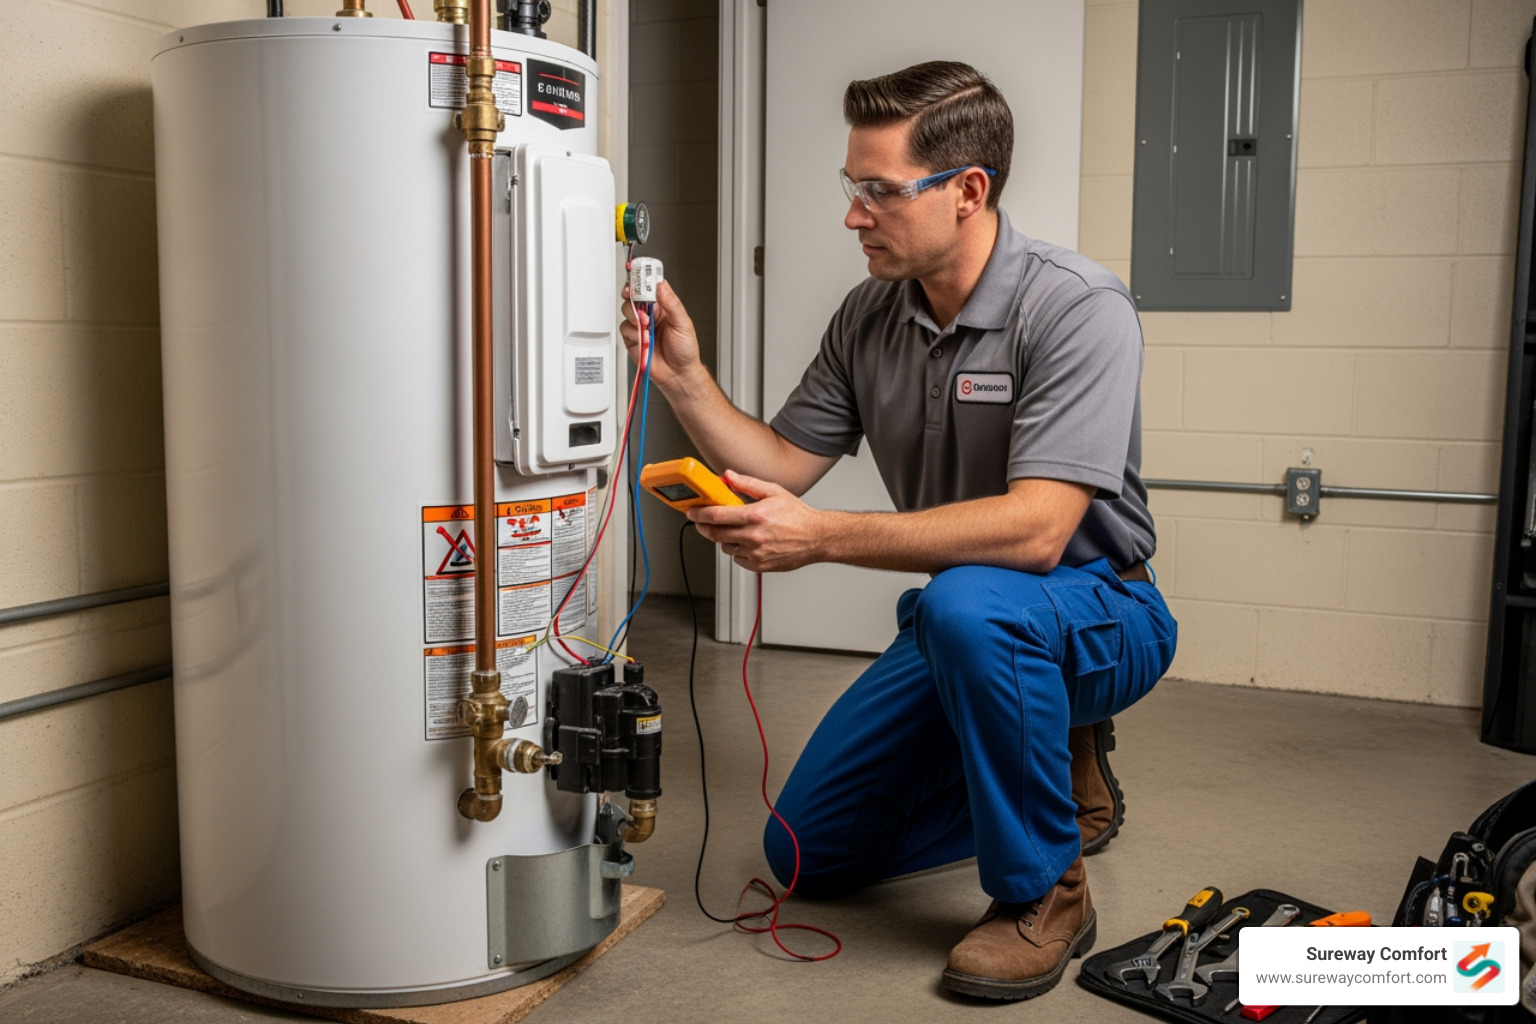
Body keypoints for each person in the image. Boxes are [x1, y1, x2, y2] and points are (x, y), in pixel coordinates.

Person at [619, 60, 1177, 1001]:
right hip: (974, 626)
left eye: (878, 191)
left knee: (964, 606)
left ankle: (1046, 888)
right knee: (806, 852)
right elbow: (783, 464)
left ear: (968, 191)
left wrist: (821, 537)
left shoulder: (1078, 307)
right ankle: (1061, 779)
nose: (854, 215)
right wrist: (682, 377)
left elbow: (1040, 534)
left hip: (1102, 608)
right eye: (853, 188)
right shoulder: (871, 315)